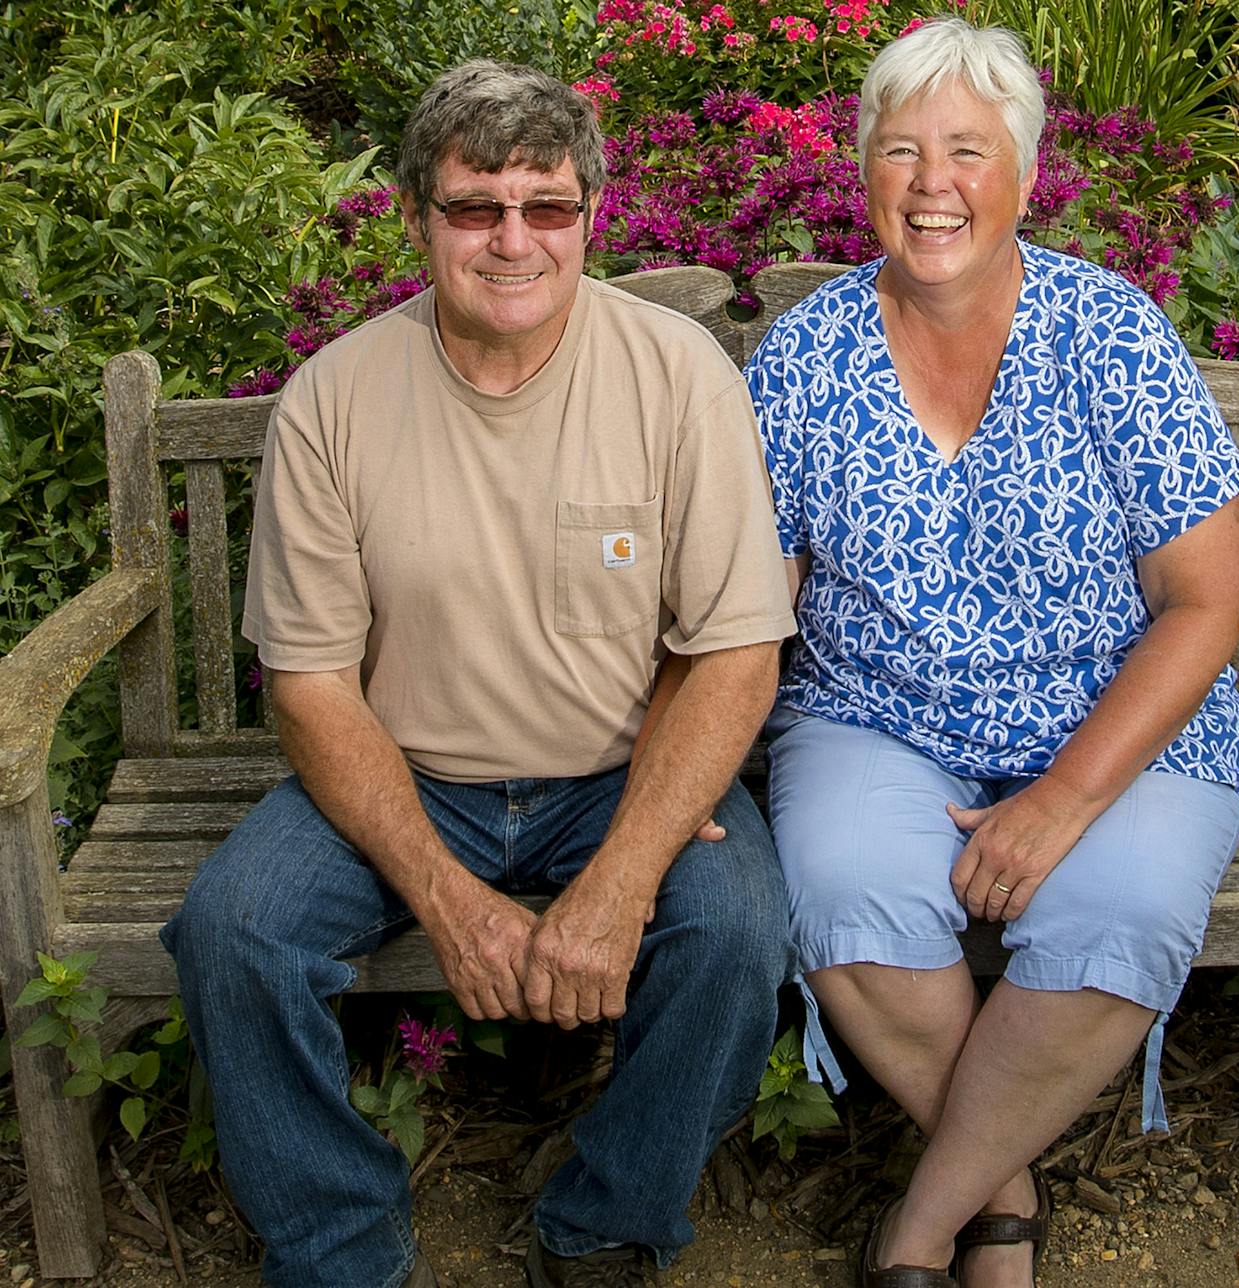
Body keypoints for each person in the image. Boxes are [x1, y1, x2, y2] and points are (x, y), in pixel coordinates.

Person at [160, 59, 796, 1288]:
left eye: (545, 206)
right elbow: (310, 685)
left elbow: (732, 651)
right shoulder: (333, 400)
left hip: (618, 771)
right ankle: (338, 1239)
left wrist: (619, 883)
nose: (513, 238)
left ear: (589, 218)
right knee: (232, 933)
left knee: (739, 932)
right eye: (475, 206)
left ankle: (609, 1219)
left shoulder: (676, 378)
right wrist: (449, 900)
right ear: (419, 218)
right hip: (407, 771)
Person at [743, 17, 1239, 1288]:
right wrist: (682, 763)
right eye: (901, 148)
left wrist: (1059, 801)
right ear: (859, 168)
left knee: (1124, 906)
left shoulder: (1111, 335)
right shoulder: (803, 359)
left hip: (1118, 715)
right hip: (875, 713)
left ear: (1022, 174)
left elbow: (1205, 601)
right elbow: (750, 605)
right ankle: (1003, 1193)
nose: (933, 184)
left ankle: (920, 1223)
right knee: (842, 888)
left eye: (967, 150)